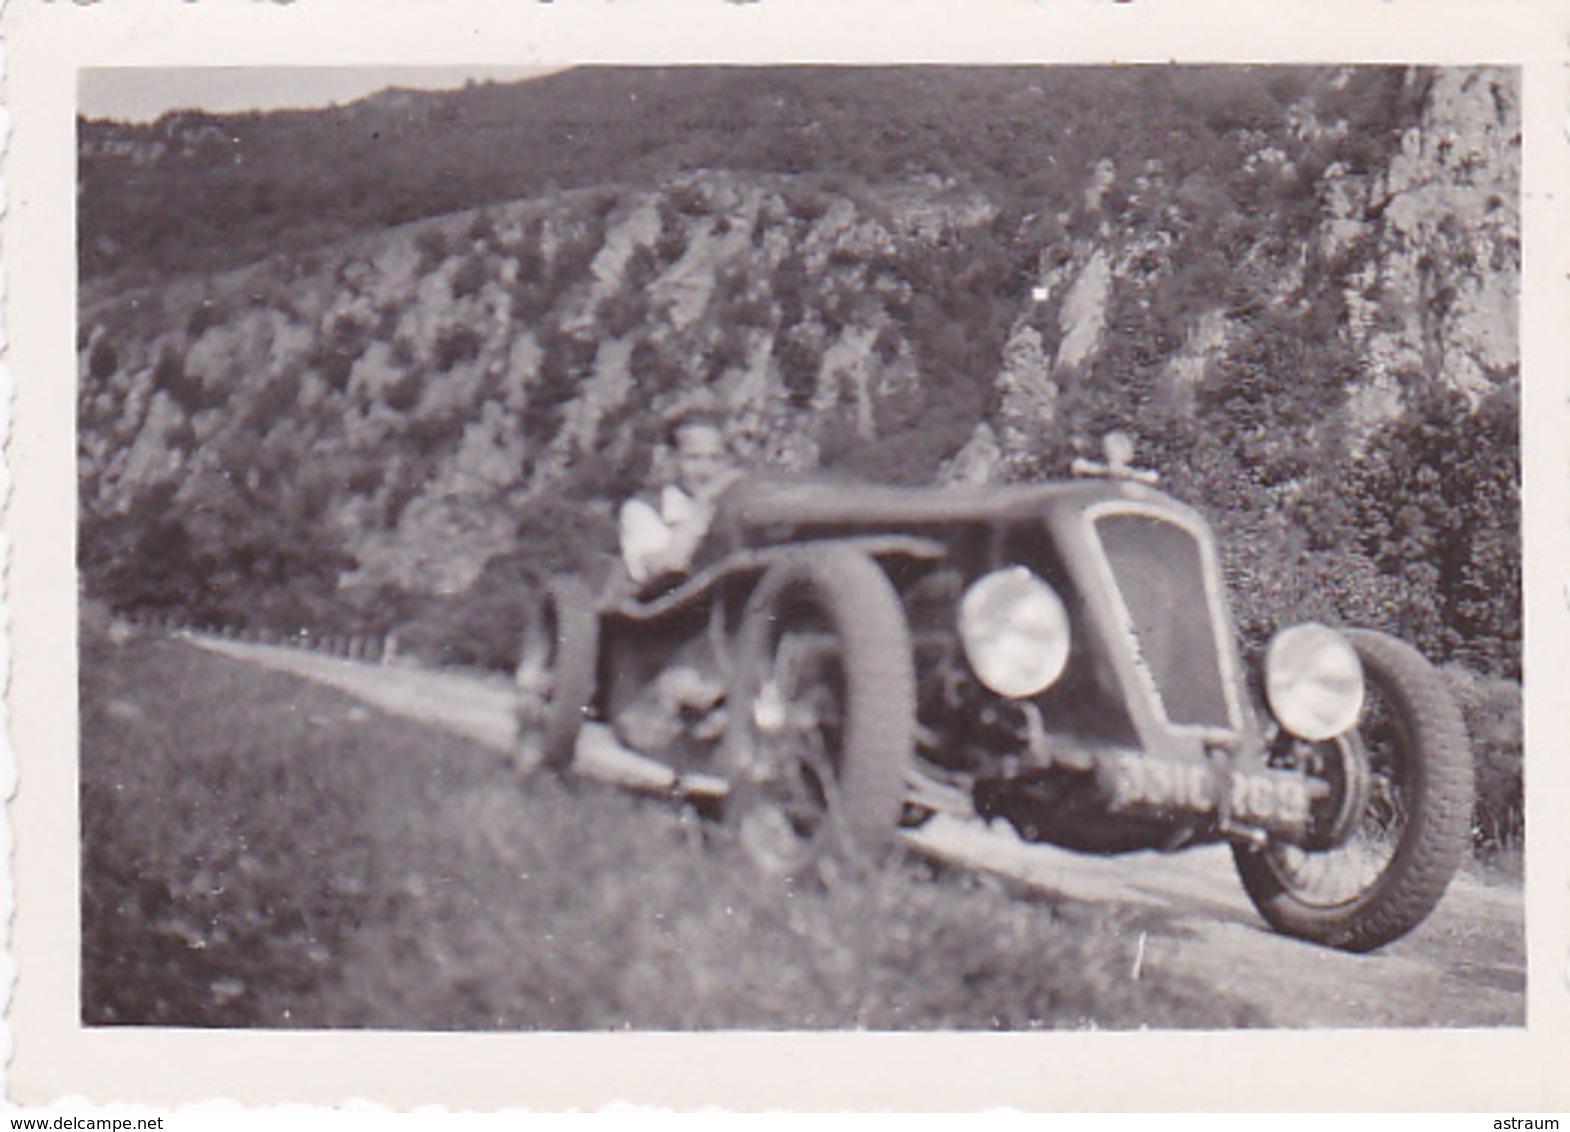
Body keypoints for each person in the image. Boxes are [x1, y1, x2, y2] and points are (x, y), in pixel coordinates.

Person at [618, 410, 743, 590]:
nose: (705, 470)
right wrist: (703, 504)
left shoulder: (737, 506)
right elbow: (665, 571)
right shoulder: (643, 509)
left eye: (715, 458)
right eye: (693, 458)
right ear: (673, 459)